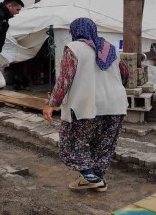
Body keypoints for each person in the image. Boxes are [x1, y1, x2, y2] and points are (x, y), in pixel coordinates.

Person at [42, 18, 129, 192]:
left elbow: (65, 78)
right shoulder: (109, 48)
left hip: (86, 104)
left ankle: (90, 177)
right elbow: (125, 73)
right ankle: (98, 179)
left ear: (75, 31)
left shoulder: (75, 48)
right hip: (115, 103)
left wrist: (52, 104)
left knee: (73, 142)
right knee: (104, 144)